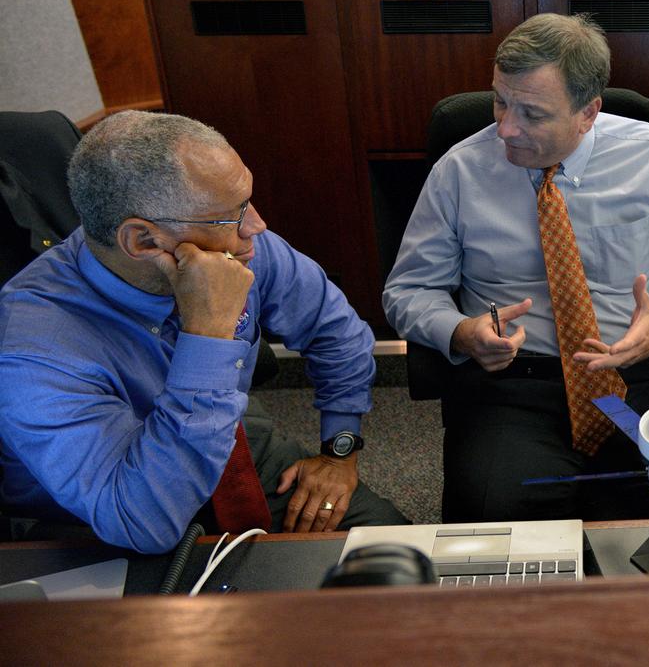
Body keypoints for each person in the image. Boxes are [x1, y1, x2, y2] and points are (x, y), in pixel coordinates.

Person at [384, 13, 649, 523]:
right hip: (514, 385)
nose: (505, 128)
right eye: (500, 101)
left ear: (588, 112)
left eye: (532, 114)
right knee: (492, 521)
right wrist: (460, 332)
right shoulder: (460, 171)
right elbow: (408, 290)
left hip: (633, 379)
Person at [0, 112, 407, 553]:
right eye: (231, 216)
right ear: (144, 242)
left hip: (231, 443)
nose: (256, 226)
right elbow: (143, 521)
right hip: (100, 511)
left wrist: (339, 451)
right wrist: (207, 338)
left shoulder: (242, 247)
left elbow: (335, 330)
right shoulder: (32, 353)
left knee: (396, 552)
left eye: (246, 201)